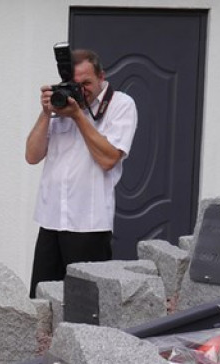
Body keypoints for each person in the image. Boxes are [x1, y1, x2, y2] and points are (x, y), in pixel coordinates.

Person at [24, 48, 138, 297]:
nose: (81, 90)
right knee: (42, 302)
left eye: (86, 83)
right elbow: (32, 156)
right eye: (75, 84)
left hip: (89, 224)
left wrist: (77, 116)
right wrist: (46, 114)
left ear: (102, 77)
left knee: (86, 305)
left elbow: (108, 158)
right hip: (51, 220)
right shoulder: (61, 103)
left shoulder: (121, 105)